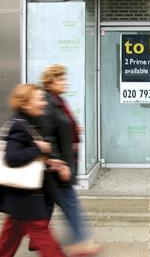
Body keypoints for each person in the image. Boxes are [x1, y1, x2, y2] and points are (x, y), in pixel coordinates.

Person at [0, 84, 66, 257]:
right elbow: (13, 157)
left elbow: (27, 157)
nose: (43, 103)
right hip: (24, 196)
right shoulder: (18, 125)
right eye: (39, 99)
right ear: (26, 103)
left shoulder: (25, 121)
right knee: (42, 235)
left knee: (10, 236)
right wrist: (39, 148)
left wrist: (52, 163)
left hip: (18, 196)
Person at [40, 64, 100, 256]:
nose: (65, 82)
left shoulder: (57, 100)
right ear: (50, 82)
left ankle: (36, 238)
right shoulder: (48, 103)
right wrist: (59, 163)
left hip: (62, 162)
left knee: (48, 203)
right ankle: (81, 241)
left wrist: (74, 131)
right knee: (70, 202)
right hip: (58, 167)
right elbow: (47, 137)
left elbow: (61, 127)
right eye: (60, 79)